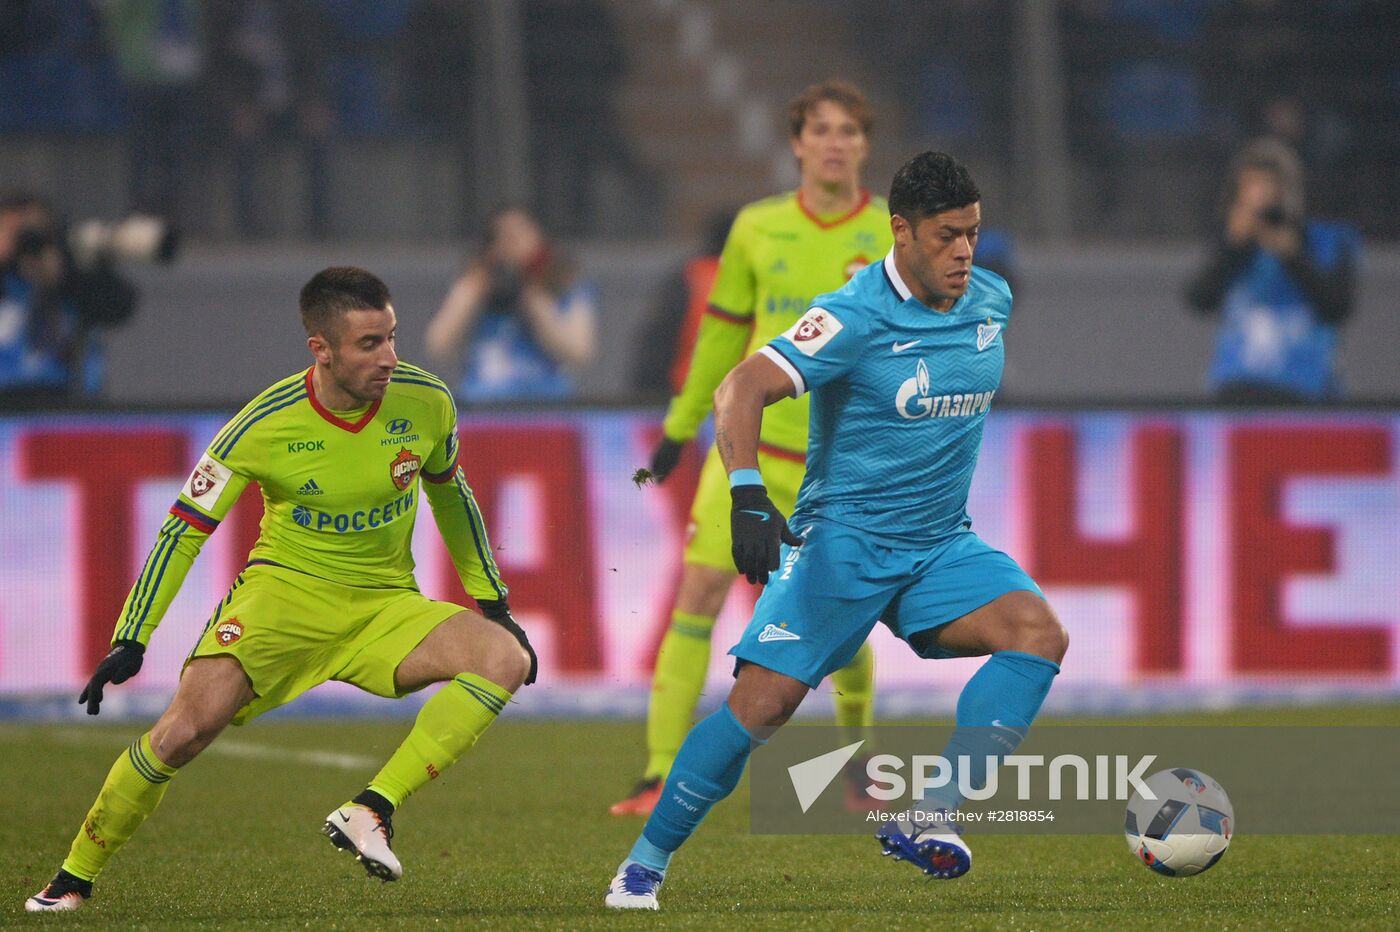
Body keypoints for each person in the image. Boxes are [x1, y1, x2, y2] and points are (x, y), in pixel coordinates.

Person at [605, 151, 1069, 909]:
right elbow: (740, 386)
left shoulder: (990, 300)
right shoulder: (853, 313)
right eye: (948, 236)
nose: (964, 252)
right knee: (763, 706)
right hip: (843, 544)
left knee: (1039, 633)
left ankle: (931, 814)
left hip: (940, 544)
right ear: (901, 232)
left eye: (974, 234)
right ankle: (643, 866)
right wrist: (749, 495)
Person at [25, 267, 537, 912]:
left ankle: (371, 807)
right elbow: (182, 532)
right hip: (281, 601)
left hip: (384, 604)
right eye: (369, 345)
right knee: (182, 733)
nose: (390, 359)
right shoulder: (260, 426)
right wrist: (133, 635)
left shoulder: (427, 401)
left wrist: (493, 605)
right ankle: (72, 878)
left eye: (392, 338)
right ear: (320, 349)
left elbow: (453, 498)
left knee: (503, 659)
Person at [609, 81, 893, 817]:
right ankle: (657, 773)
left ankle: (857, 765)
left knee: (841, 618)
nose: (835, 143)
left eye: (850, 132)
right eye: (821, 130)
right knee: (698, 596)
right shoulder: (756, 229)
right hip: (746, 454)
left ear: (865, 145)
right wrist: (679, 426)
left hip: (840, 464)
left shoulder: (892, 238)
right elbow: (720, 336)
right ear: (796, 143)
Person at [1185, 137, 1359, 402]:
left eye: (1268, 186)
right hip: (1238, 385)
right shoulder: (1232, 244)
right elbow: (1199, 299)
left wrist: (1292, 255)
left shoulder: (1327, 241)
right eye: (1251, 185)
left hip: (1304, 387)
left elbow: (1337, 307)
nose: (1260, 198)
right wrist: (1233, 247)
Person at [425, 206, 597, 402]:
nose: (511, 245)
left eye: (519, 235)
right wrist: (470, 294)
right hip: (482, 402)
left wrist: (536, 302)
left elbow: (579, 351)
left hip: (547, 403)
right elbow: (437, 344)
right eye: (502, 236)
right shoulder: (477, 284)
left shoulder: (566, 284)